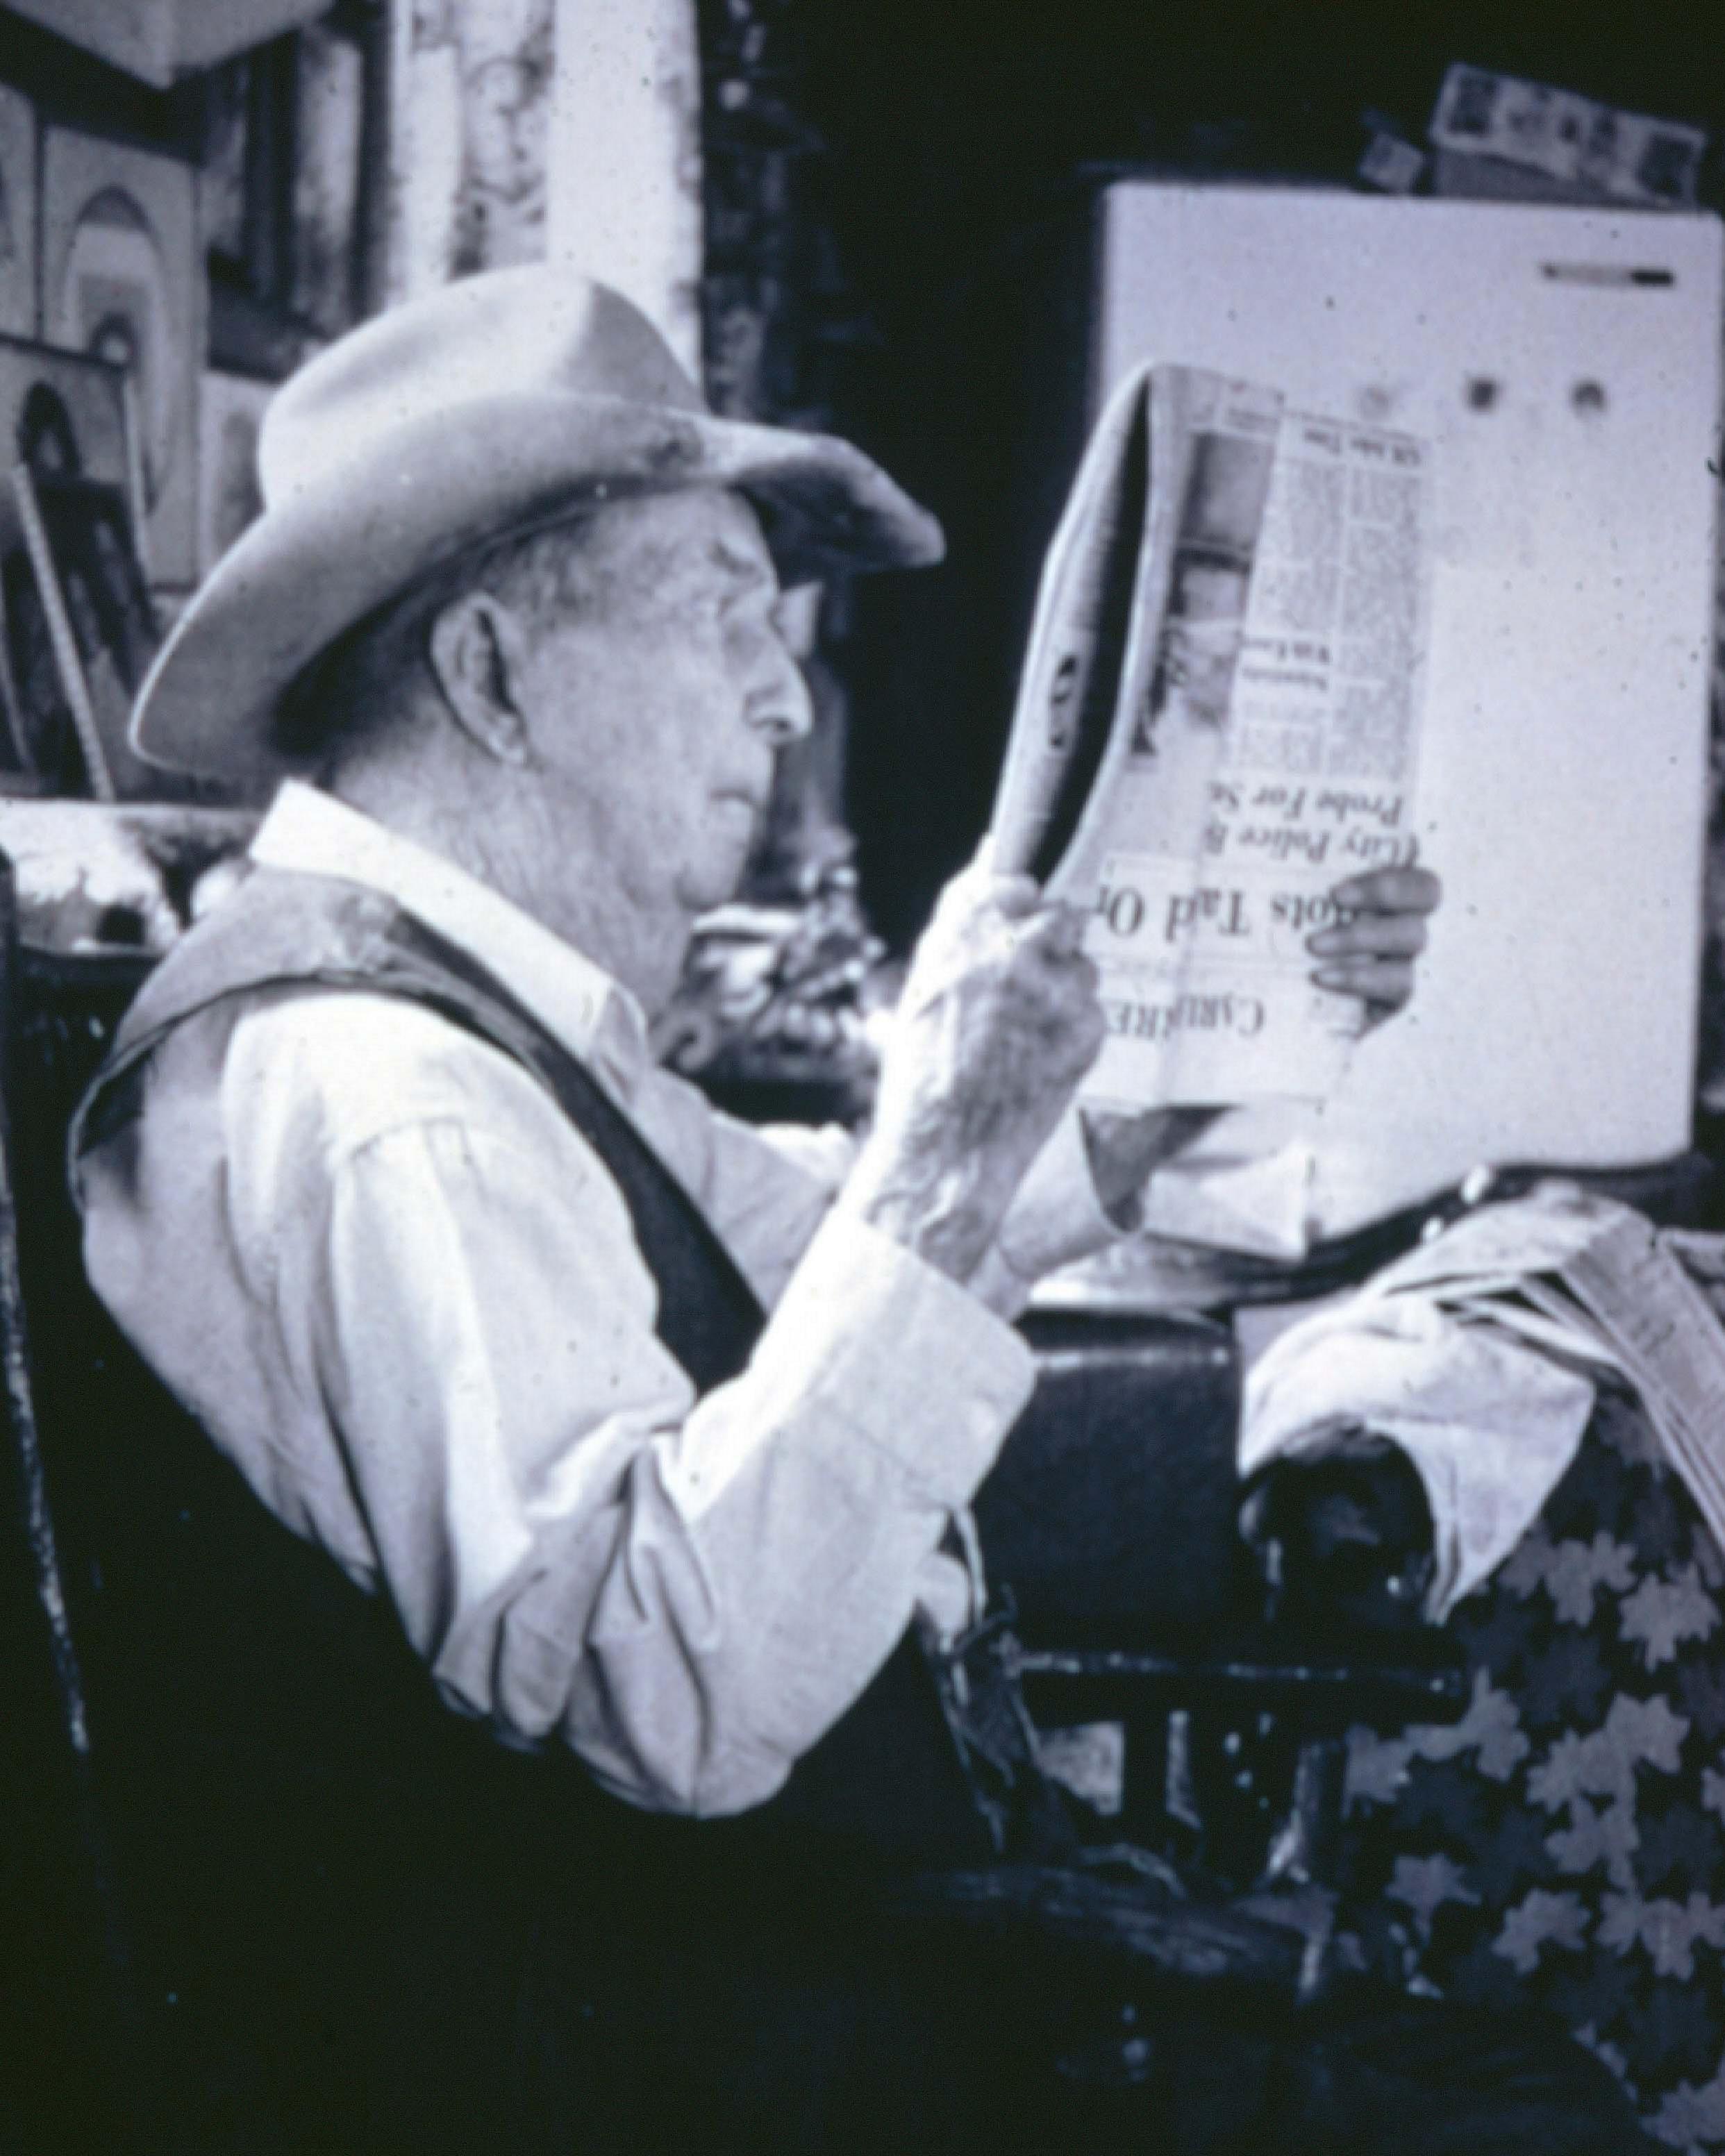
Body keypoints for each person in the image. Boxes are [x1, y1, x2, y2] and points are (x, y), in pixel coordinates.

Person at [74, 266, 1646, 2153]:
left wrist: (1212, 1029)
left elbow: (810, 1245)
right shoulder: (387, 1089)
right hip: (646, 2058)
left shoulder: (469, 1024)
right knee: (1538, 2117)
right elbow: (674, 1694)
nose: (783, 688)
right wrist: (940, 1146)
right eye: (724, 615)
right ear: (490, 674)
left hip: (722, 1993)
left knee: (1502, 2089)